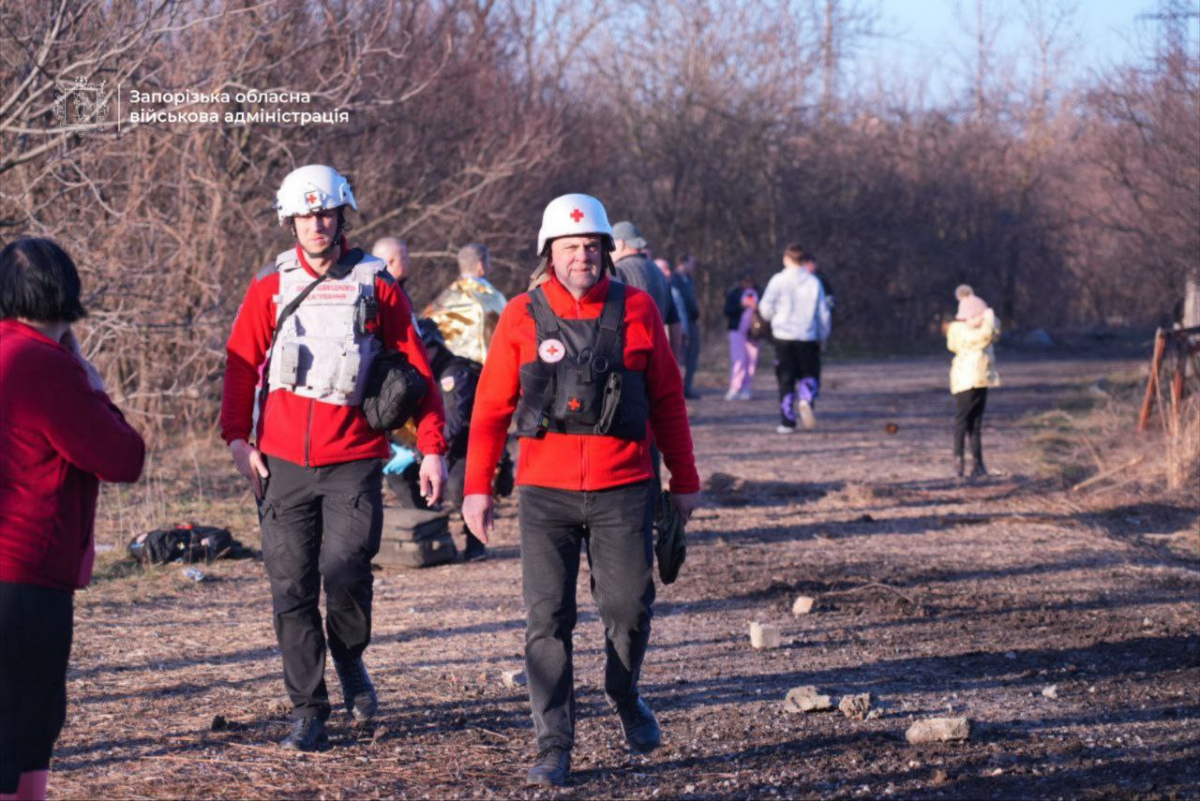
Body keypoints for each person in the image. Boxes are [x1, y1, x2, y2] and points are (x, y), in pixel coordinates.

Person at [461, 193, 701, 787]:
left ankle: (624, 693)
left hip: (626, 487)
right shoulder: (520, 313)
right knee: (548, 619)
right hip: (545, 493)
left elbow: (668, 400)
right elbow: (491, 410)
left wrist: (685, 478)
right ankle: (554, 744)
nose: (582, 257)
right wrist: (477, 489)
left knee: (629, 610)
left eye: (592, 246)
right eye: (570, 247)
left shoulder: (640, 308)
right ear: (549, 253)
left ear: (607, 252)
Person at [220, 164, 448, 751]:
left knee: (345, 570)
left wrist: (432, 448)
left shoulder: (377, 283)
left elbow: (417, 370)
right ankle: (308, 707)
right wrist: (237, 440)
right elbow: (241, 364)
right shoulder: (268, 286)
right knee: (290, 587)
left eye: (326, 213)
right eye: (306, 214)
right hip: (280, 463)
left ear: (341, 214)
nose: (317, 224)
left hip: (354, 458)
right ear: (290, 219)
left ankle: (349, 658)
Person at [0, 238, 146, 801]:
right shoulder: (46, 367)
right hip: (24, 571)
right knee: (27, 723)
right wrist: (91, 380)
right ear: (67, 296)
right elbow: (122, 458)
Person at [386, 319, 510, 561]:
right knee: (398, 476)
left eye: (426, 349)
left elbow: (455, 423)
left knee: (458, 485)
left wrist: (421, 454)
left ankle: (476, 543)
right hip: (439, 449)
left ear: (434, 346)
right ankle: (432, 534)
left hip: (469, 448)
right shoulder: (419, 373)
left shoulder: (453, 373)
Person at [759, 243, 831, 433]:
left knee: (785, 378)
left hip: (783, 336)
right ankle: (806, 399)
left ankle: (787, 421)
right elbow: (823, 314)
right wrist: (823, 335)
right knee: (810, 374)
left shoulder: (778, 280)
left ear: (787, 259)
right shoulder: (813, 281)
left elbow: (765, 308)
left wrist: (773, 316)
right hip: (807, 336)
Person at [947, 285, 1001, 478]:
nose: (983, 320)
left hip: (980, 381)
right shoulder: (962, 332)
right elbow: (986, 335)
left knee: (976, 425)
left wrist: (987, 317)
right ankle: (958, 459)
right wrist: (987, 317)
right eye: (979, 316)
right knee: (962, 422)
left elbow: (994, 332)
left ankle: (977, 464)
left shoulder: (977, 332)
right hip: (966, 383)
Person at [423, 242, 507, 366]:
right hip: (482, 372)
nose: (491, 268)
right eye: (489, 263)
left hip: (449, 372)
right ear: (481, 266)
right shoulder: (492, 299)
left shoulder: (442, 299)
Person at [723, 272, 759, 401]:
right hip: (737, 330)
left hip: (754, 333)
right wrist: (741, 306)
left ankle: (746, 388)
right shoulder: (734, 293)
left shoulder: (760, 292)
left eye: (751, 281)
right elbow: (727, 310)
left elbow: (767, 311)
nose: (748, 283)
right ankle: (735, 387)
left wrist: (757, 307)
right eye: (746, 281)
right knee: (738, 360)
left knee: (751, 361)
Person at [671, 254, 702, 398]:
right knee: (682, 356)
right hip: (683, 322)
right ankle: (681, 388)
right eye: (691, 263)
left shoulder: (688, 280)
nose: (694, 267)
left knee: (692, 357)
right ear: (683, 262)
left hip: (692, 321)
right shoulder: (675, 280)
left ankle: (687, 386)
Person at [656, 257, 686, 360]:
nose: (669, 273)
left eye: (669, 269)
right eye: (665, 269)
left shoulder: (670, 291)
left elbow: (676, 320)